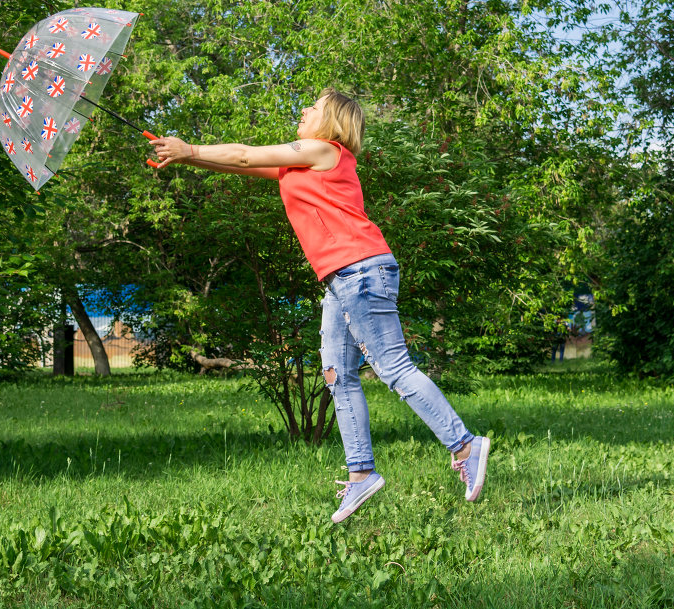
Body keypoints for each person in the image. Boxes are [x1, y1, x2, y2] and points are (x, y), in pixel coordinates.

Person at [150, 88, 489, 523]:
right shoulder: (303, 161)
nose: (304, 109)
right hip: (342, 278)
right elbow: (241, 166)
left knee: (393, 368)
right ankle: (362, 474)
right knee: (337, 374)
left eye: (313, 106)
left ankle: (465, 444)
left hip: (361, 271)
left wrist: (190, 146)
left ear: (332, 121)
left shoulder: (323, 150)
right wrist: (183, 156)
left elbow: (244, 155)